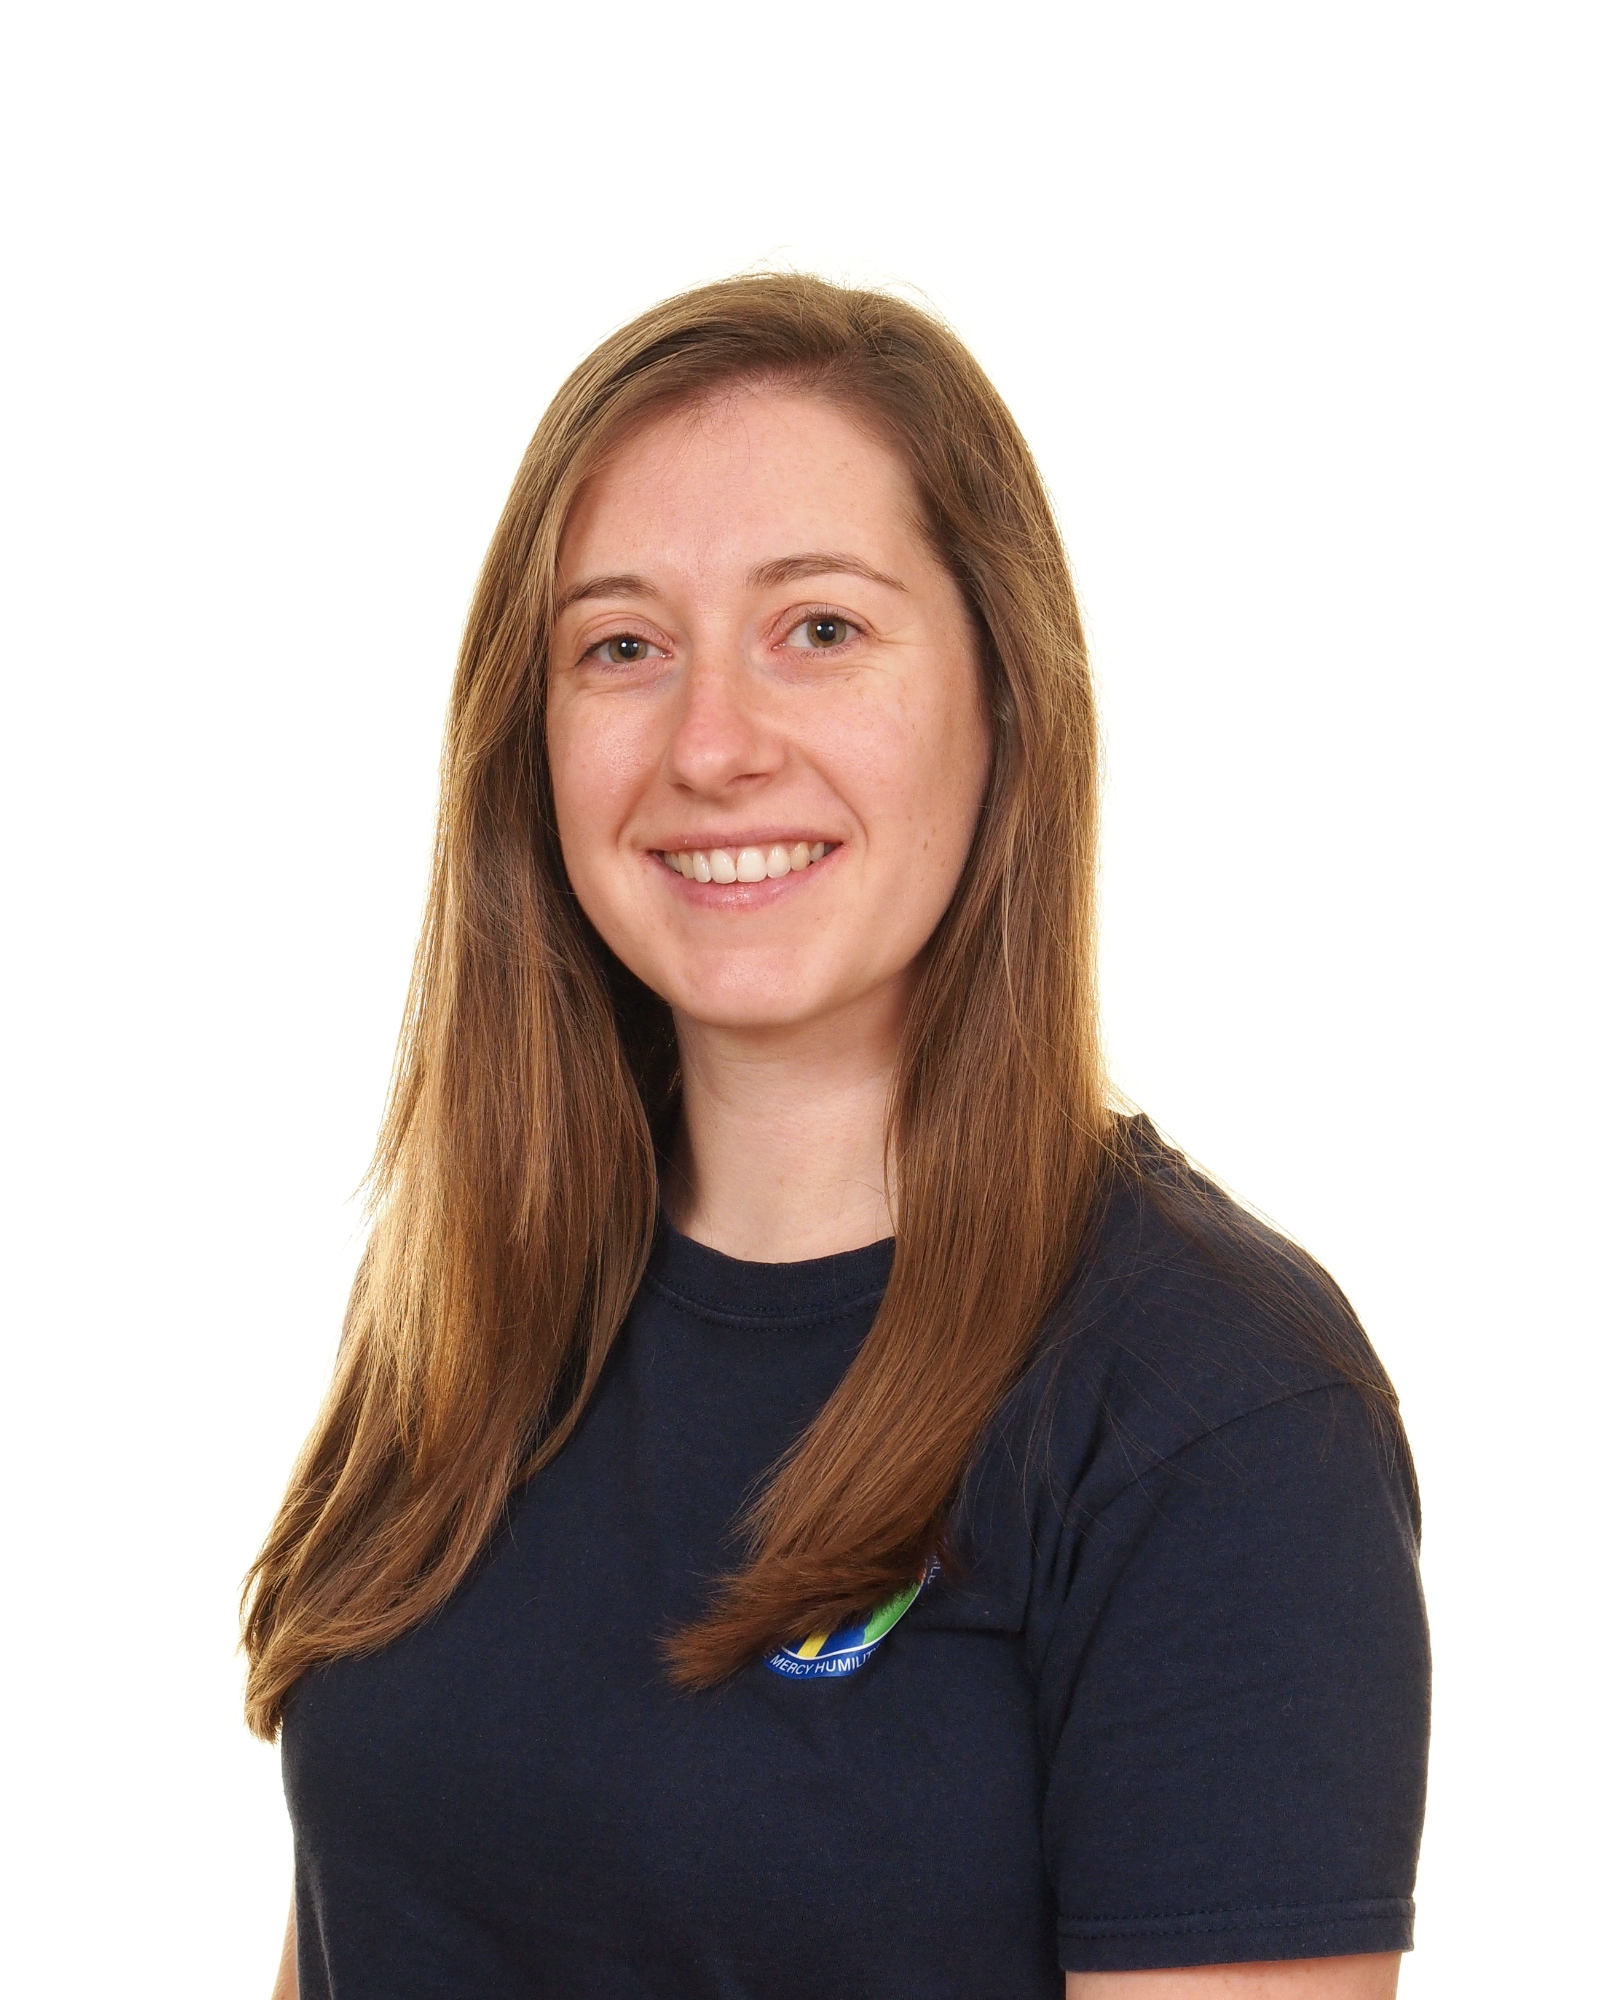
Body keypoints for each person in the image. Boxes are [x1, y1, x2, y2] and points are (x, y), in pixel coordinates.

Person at [244, 275, 1429, 2000]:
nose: (712, 746)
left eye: (819, 628)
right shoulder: (474, 1297)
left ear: (1003, 698)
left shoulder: (1212, 1413)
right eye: (622, 647)